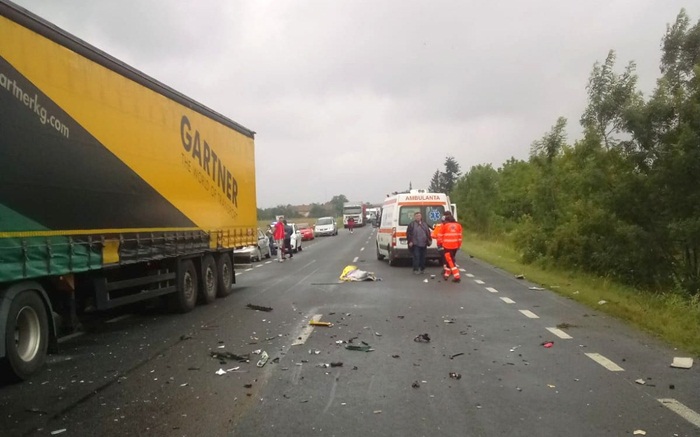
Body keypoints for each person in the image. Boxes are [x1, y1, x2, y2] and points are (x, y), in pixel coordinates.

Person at [437, 211, 463, 282]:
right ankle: (446, 274)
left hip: (447, 246)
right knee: (450, 259)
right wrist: (459, 245)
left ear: (447, 220)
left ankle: (457, 276)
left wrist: (440, 244)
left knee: (450, 261)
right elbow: (460, 237)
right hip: (455, 246)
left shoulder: (444, 225)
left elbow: (440, 236)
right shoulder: (458, 225)